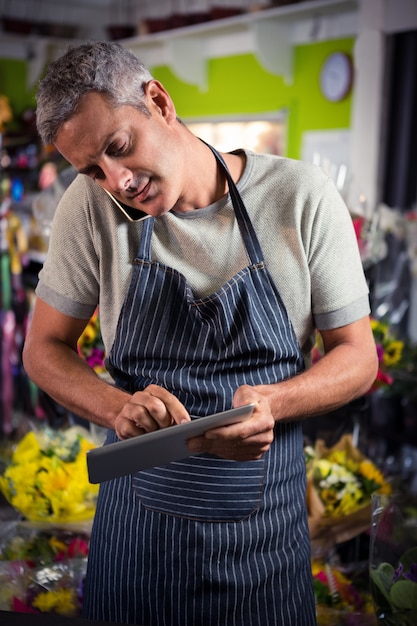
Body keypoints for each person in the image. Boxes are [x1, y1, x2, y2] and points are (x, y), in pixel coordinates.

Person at [23, 42, 378, 626]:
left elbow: (358, 357)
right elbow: (43, 350)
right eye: (92, 169)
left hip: (265, 541)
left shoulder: (299, 198)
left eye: (118, 147)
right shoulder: (88, 210)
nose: (117, 181)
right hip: (135, 537)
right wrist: (118, 408)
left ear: (158, 101)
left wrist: (274, 401)